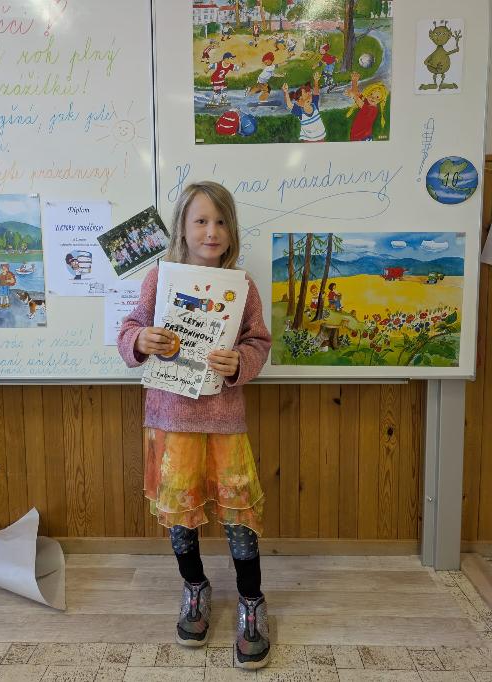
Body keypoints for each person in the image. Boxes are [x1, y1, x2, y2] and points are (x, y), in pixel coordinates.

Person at [117, 181, 272, 670]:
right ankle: (195, 587)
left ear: (232, 230)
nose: (212, 231)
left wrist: (240, 361)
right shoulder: (158, 280)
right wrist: (141, 339)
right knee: (180, 512)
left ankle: (251, 601)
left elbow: (259, 343)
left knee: (238, 513)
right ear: (182, 228)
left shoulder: (241, 286)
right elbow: (128, 330)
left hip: (224, 421)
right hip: (172, 418)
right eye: (201, 220)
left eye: (221, 221)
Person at [282, 71, 327, 142]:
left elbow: (316, 93)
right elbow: (289, 105)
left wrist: (316, 80)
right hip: (308, 140)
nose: (309, 95)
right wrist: (285, 92)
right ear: (299, 101)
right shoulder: (300, 111)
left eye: (310, 95)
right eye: (306, 96)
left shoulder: (314, 104)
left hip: (321, 137)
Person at [345, 72, 388, 141]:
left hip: (363, 138)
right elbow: (357, 94)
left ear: (381, 100)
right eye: (371, 94)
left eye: (377, 97)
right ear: (367, 95)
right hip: (357, 136)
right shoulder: (367, 102)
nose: (373, 98)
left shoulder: (372, 110)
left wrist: (353, 95)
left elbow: (359, 101)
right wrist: (354, 81)